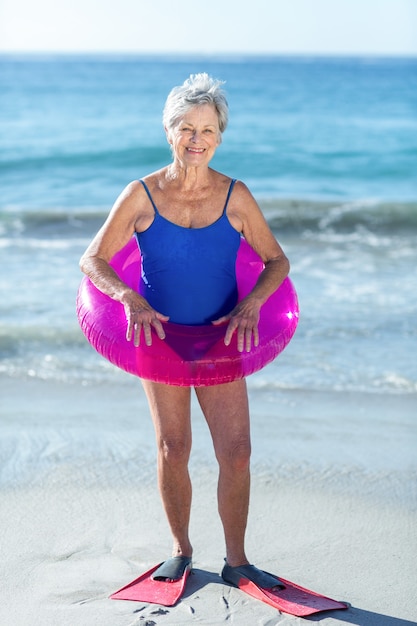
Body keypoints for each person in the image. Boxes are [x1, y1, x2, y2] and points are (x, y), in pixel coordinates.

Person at [80, 73, 290, 587]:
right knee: (174, 447)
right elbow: (93, 260)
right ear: (168, 131)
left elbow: (276, 261)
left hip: (222, 339)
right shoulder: (141, 194)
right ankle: (181, 549)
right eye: (186, 128)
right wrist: (128, 296)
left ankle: (237, 560)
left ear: (220, 136)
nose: (197, 139)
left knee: (236, 451)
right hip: (159, 338)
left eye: (208, 130)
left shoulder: (235, 196)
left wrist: (252, 305)